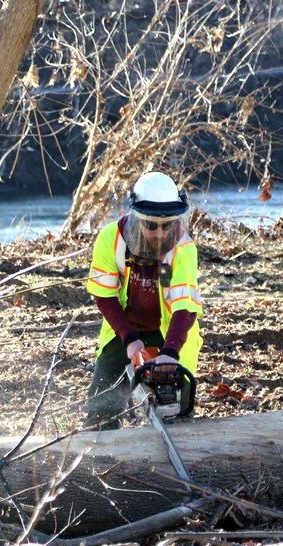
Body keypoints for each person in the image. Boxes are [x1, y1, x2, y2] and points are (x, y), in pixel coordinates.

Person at [84, 171, 203, 429]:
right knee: (102, 398)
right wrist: (128, 338)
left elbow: (186, 306)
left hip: (172, 330)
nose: (159, 233)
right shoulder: (111, 239)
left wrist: (171, 352)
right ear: (138, 219)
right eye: (151, 225)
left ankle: (180, 430)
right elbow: (104, 296)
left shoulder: (184, 248)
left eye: (166, 225)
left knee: (179, 403)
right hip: (125, 328)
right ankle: (101, 438)